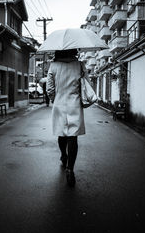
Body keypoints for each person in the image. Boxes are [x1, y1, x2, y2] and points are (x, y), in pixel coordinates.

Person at [46, 49, 89, 187]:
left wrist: (55, 99)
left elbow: (49, 89)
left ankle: (63, 156)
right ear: (74, 51)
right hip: (74, 104)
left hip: (59, 104)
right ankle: (70, 169)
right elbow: (86, 84)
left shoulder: (53, 66)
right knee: (73, 137)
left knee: (61, 133)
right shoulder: (80, 65)